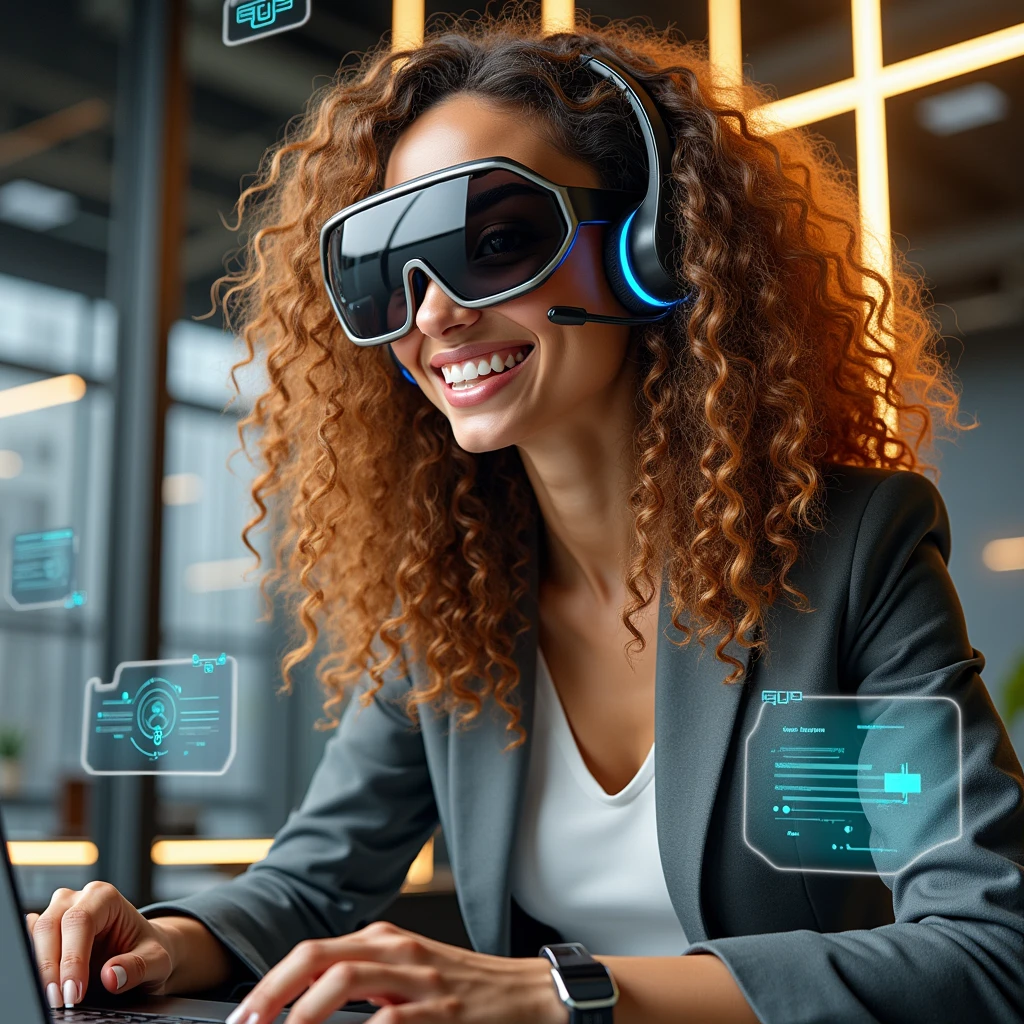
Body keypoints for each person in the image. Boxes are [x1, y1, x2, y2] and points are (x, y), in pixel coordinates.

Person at [27, 14, 1024, 1024]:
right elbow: (309, 884)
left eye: (494, 241)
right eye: (388, 274)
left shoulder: (854, 548)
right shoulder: (453, 598)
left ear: (651, 245)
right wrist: (159, 942)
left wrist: (562, 993)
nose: (431, 316)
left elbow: (990, 950)